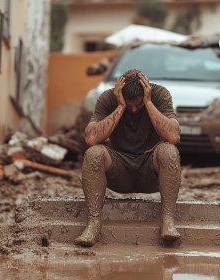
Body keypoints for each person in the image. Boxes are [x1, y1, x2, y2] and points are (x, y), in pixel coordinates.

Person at [74, 69, 181, 247]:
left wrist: (147, 102)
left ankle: (168, 222)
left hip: (150, 172)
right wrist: (120, 106)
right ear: (120, 94)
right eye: (128, 104)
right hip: (119, 171)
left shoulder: (160, 94)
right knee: (94, 153)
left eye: (137, 104)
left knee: (169, 151)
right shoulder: (108, 98)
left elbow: (173, 137)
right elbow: (91, 138)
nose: (133, 108)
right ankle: (93, 224)